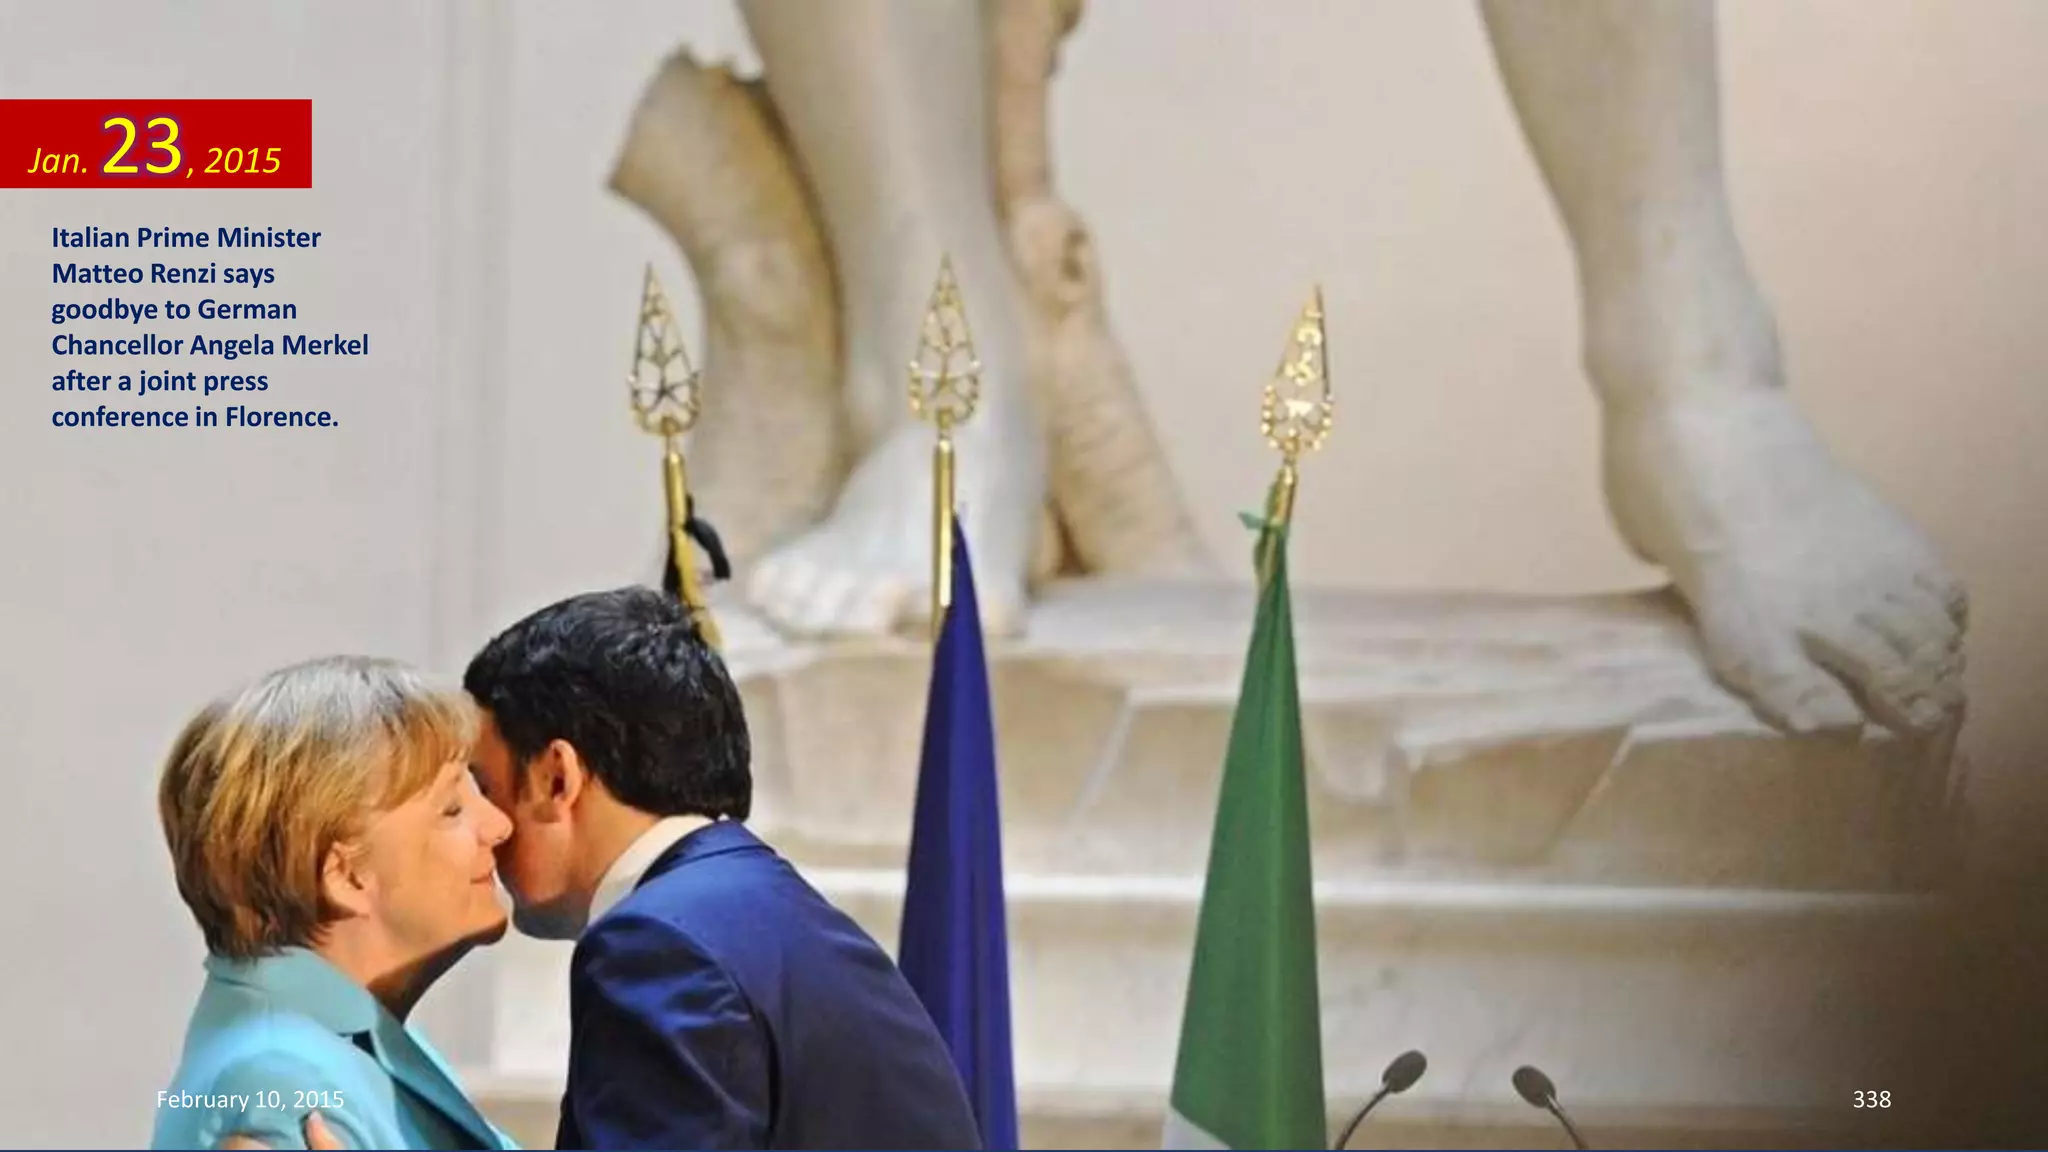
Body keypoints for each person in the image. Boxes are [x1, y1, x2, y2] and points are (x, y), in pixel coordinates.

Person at [462, 586, 982, 1150]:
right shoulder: (758, 906)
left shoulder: (657, 945)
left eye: (484, 788)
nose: (485, 827)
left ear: (557, 778)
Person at [153, 656, 516, 1151]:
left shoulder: (349, 1036)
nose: (499, 825)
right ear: (345, 875)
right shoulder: (280, 1081)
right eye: (451, 808)